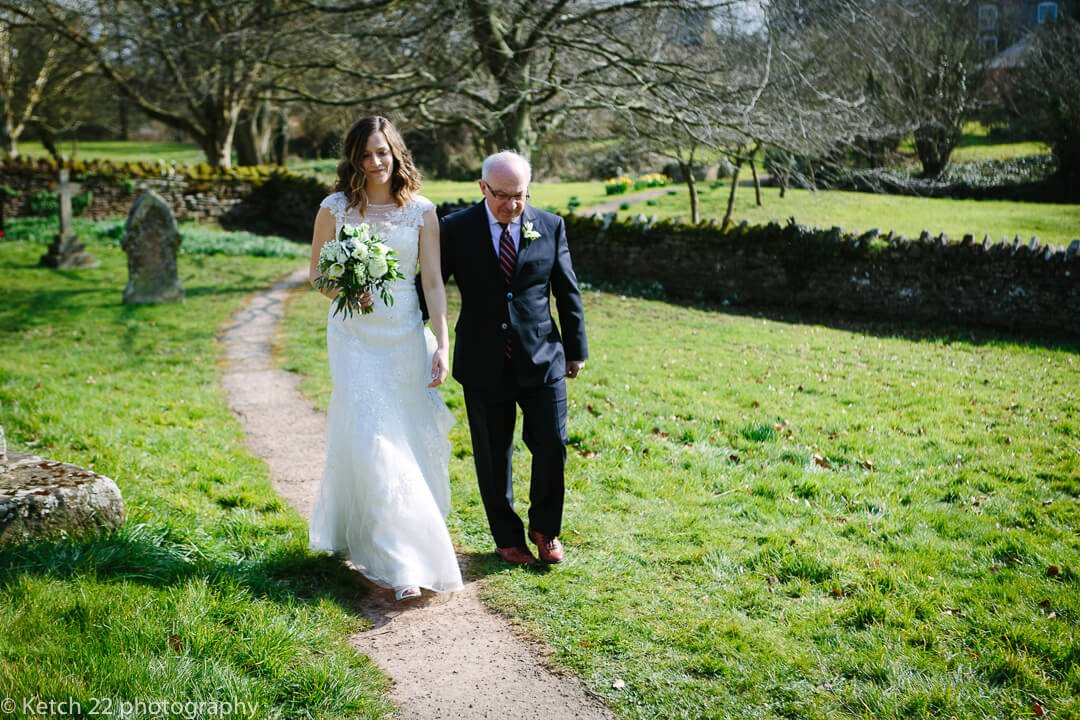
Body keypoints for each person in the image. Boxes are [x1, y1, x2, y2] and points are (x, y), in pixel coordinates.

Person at [307, 116, 463, 601]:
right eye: (365, 155)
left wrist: (442, 343)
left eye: (382, 153)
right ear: (352, 160)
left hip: (402, 336)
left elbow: (434, 283)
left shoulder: (422, 212)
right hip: (354, 336)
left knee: (408, 437)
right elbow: (316, 274)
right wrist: (348, 286)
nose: (374, 163)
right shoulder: (334, 208)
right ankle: (399, 560)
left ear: (396, 154)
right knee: (373, 437)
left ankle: (403, 542)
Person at [440, 151, 588, 565]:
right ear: (482, 188)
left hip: (542, 356)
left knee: (552, 444)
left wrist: (575, 350)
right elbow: (429, 287)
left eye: (519, 196)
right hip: (483, 359)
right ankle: (507, 537)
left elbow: (567, 290)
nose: (511, 205)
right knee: (492, 453)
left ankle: (546, 529)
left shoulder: (550, 226)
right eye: (502, 195)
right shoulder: (454, 228)